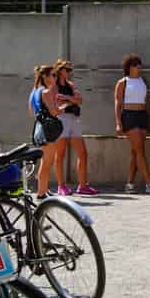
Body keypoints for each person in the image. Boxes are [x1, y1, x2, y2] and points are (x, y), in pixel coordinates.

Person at [115, 54, 150, 194]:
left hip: (142, 116)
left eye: (139, 64)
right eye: (135, 64)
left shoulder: (142, 81)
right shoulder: (123, 82)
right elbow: (117, 102)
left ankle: (129, 184)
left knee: (136, 152)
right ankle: (149, 184)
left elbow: (145, 102)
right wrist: (118, 122)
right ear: (128, 67)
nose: (138, 67)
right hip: (129, 116)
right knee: (140, 151)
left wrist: (149, 119)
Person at [53, 59, 99, 196]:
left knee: (83, 153)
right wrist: (71, 99)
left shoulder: (70, 84)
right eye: (67, 70)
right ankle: (61, 186)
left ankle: (83, 185)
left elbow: (79, 100)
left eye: (70, 70)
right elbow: (57, 99)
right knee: (60, 154)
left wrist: (67, 98)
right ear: (61, 70)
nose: (69, 73)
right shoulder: (53, 86)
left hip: (74, 118)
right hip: (61, 118)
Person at [28, 64, 62, 199]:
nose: (55, 78)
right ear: (44, 76)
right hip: (48, 129)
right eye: (53, 75)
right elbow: (54, 111)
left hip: (39, 127)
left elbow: (31, 111)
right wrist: (64, 107)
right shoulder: (46, 92)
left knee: (45, 162)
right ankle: (41, 193)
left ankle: (44, 190)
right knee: (47, 162)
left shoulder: (34, 91)